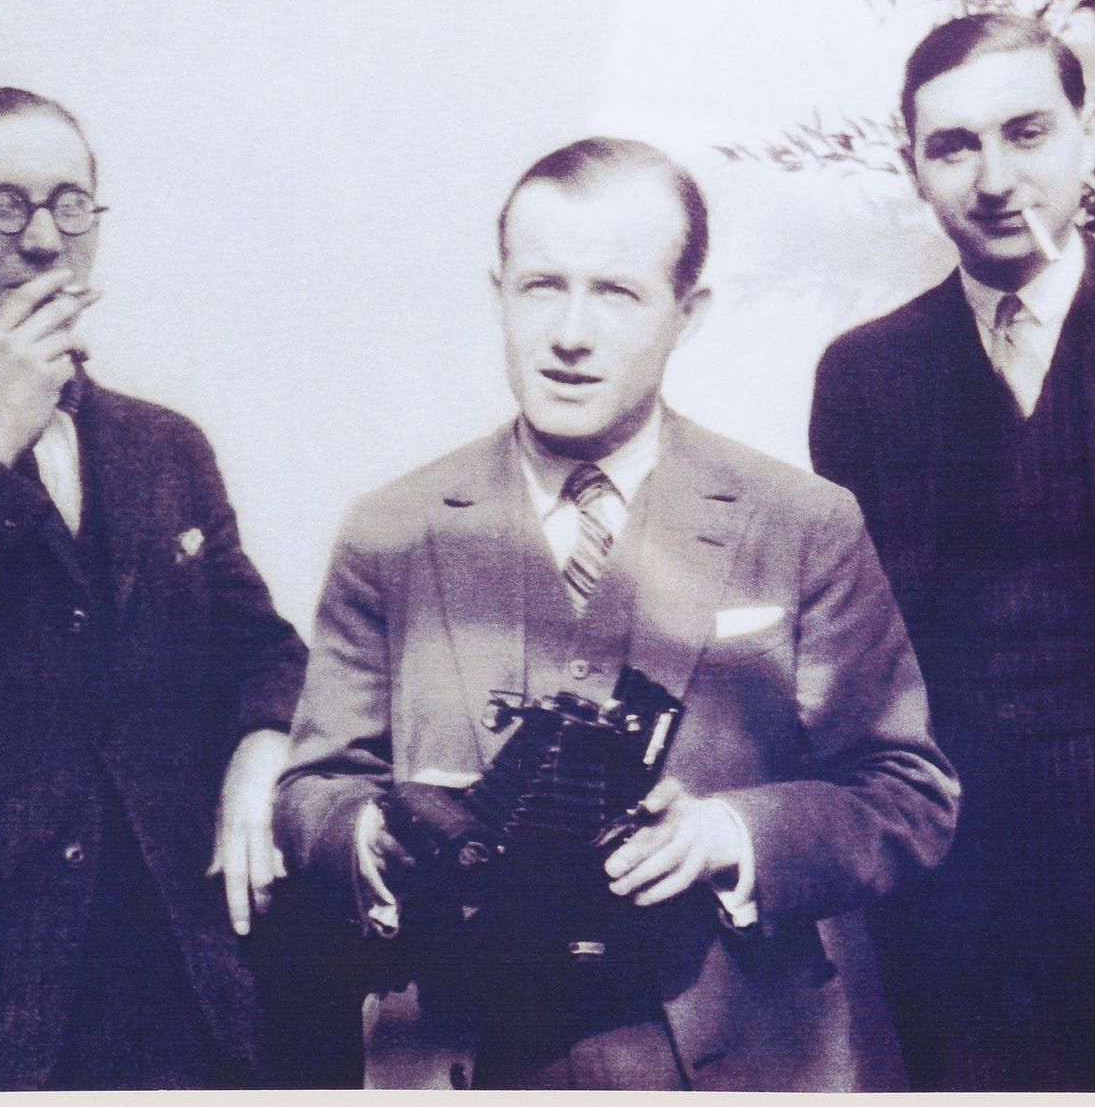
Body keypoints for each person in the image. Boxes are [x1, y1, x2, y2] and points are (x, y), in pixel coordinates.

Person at [275, 136, 959, 1090]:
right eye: (541, 286)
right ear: (499, 293)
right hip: (468, 1055)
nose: (570, 332)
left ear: (688, 313)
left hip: (733, 1060)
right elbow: (312, 791)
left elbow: (907, 796)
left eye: (618, 293)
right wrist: (377, 833)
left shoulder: (803, 524)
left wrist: (727, 835)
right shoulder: (393, 531)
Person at [0, 88, 308, 1091]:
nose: (43, 242)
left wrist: (259, 756)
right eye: (2, 207)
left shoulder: (164, 446)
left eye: (70, 205)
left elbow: (262, 650)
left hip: (166, 989)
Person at [809, 14, 1095, 1091]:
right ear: (911, 166)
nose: (993, 178)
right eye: (952, 145)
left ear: (1087, 138)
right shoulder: (866, 378)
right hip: (961, 897)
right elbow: (860, 666)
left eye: (1025, 132)